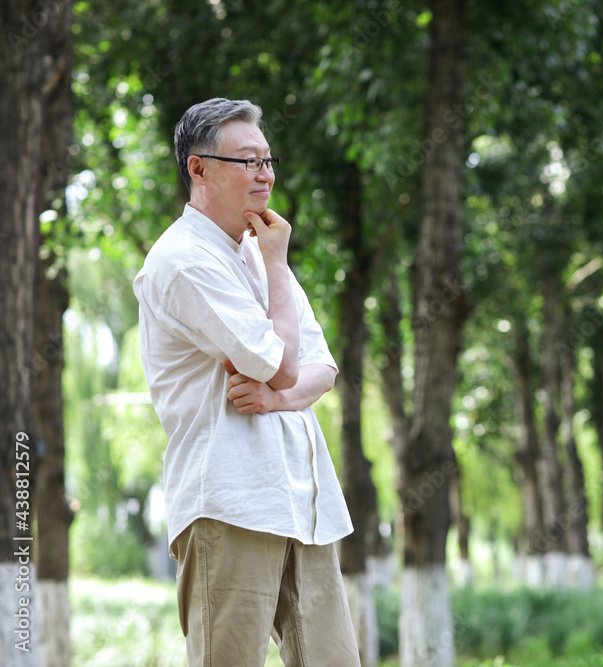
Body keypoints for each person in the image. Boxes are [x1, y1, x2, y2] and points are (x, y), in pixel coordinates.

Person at [133, 98, 361, 666]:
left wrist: (280, 396)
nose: (266, 174)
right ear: (199, 168)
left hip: (304, 503)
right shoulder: (184, 260)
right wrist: (280, 272)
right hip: (231, 503)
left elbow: (322, 368)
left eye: (268, 159)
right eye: (248, 160)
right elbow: (284, 363)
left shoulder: (259, 253)